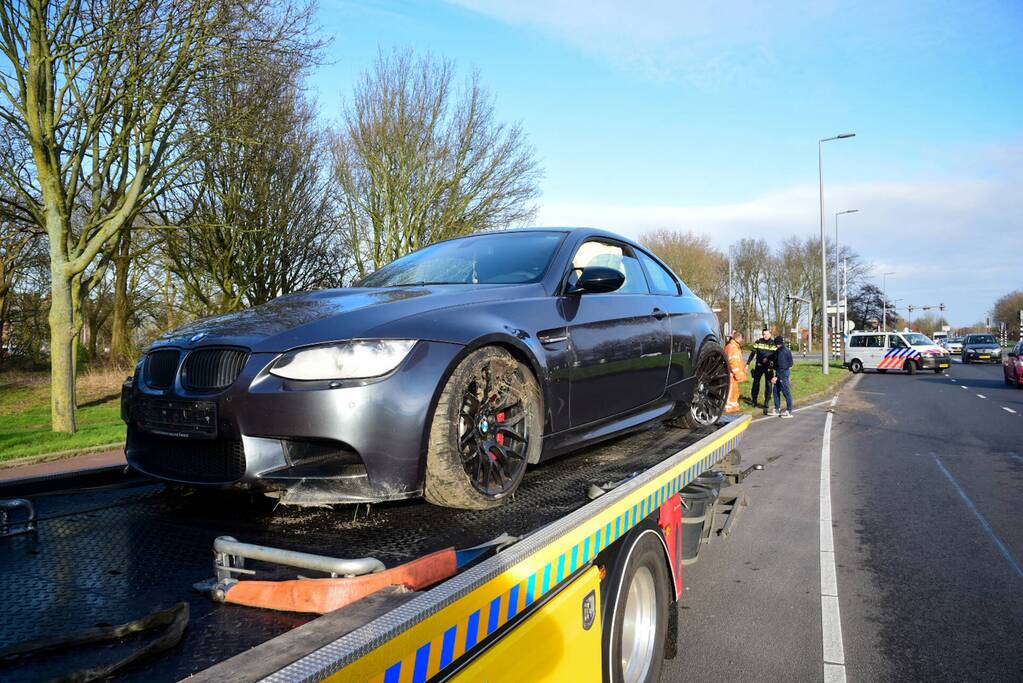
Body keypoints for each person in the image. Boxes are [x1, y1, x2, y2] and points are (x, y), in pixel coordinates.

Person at [746, 328, 776, 411]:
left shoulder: (774, 344)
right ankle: (754, 400)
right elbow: (752, 353)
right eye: (764, 334)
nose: (765, 336)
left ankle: (766, 402)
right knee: (756, 383)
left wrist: (769, 360)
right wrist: (748, 363)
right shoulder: (758, 342)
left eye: (767, 334)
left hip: (769, 367)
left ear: (770, 335)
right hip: (759, 366)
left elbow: (776, 356)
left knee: (768, 385)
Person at [770, 335, 794, 418]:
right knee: (776, 390)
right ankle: (777, 408)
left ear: (777, 343)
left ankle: (789, 411)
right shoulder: (785, 350)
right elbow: (791, 363)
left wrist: (776, 376)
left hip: (782, 374)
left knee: (786, 392)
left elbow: (781, 366)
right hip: (783, 372)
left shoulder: (781, 353)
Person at [724, 330, 747, 414]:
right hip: (732, 375)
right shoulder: (733, 347)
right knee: (731, 392)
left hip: (732, 374)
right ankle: (729, 408)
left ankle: (734, 408)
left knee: (734, 392)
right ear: (739, 338)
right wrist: (738, 374)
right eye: (742, 339)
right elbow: (733, 362)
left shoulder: (731, 346)